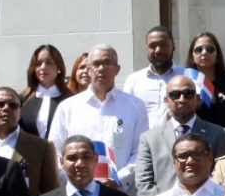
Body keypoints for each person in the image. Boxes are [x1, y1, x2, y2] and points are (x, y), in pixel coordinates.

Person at [49, 43, 151, 187]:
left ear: (117, 69)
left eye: (107, 63)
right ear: (89, 70)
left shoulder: (135, 106)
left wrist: (118, 180)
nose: (101, 68)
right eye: (96, 64)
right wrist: (76, 182)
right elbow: (55, 152)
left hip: (121, 193)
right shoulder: (68, 107)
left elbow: (140, 152)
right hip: (78, 192)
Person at [134, 74, 225, 196]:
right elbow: (143, 183)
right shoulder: (149, 139)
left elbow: (223, 177)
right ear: (166, 100)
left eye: (188, 93)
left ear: (197, 98)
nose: (182, 99)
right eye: (175, 94)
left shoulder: (219, 134)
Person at [37, 135, 138, 196]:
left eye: (86, 157)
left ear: (96, 159)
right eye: (72, 158)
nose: (80, 163)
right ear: (62, 162)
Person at [0, 86, 58, 196]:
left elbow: (51, 194)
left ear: (20, 112)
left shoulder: (42, 147)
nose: (6, 108)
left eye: (13, 105)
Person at [188, 32, 225, 149]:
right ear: (192, 57)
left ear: (217, 56)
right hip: (194, 147)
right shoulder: (186, 85)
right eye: (198, 50)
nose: (204, 53)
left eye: (209, 49)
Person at [123, 26, 180, 126]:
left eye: (163, 45)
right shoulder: (134, 80)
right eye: (152, 46)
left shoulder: (188, 76)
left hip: (178, 139)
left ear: (173, 46)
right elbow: (126, 114)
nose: (158, 50)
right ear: (146, 49)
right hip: (143, 140)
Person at [19, 43, 70, 142]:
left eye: (49, 62)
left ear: (59, 68)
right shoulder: (21, 100)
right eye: (38, 64)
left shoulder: (70, 100)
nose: (43, 67)